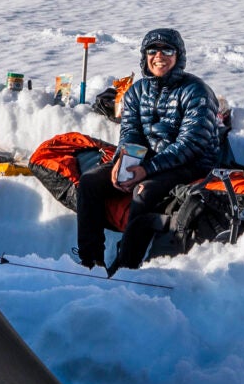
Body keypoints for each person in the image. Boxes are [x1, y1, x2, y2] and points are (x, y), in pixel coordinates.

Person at [78, 27, 221, 272]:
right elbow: (130, 133)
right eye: (152, 50)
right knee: (90, 181)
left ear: (179, 56)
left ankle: (126, 265)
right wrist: (123, 162)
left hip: (190, 163)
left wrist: (147, 170)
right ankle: (91, 262)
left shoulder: (197, 92)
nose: (159, 56)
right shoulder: (137, 91)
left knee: (143, 192)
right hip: (149, 160)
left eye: (167, 50)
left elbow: (190, 145)